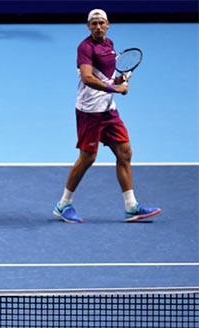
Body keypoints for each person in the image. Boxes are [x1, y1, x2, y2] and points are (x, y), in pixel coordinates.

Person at [53, 9, 161, 224]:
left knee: (124, 152)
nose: (98, 27)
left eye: (101, 23)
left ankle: (131, 207)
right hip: (90, 112)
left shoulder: (109, 45)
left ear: (108, 24)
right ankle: (63, 205)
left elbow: (107, 78)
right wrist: (115, 89)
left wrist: (120, 80)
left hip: (108, 110)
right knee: (88, 158)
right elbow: (87, 78)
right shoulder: (85, 47)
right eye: (93, 24)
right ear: (88, 26)